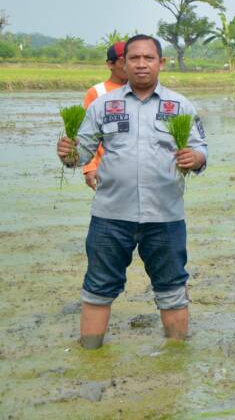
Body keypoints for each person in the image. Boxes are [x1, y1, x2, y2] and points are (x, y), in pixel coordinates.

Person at [56, 34, 207, 349]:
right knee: (97, 288)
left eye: (148, 58)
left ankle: (176, 360)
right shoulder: (103, 105)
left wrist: (195, 158)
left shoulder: (180, 105)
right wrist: (66, 153)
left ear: (160, 63)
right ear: (123, 64)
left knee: (172, 291)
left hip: (165, 217)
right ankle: (90, 353)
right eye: (134, 58)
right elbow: (80, 156)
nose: (141, 64)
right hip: (111, 216)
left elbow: (200, 151)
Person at [82, 41, 128, 190]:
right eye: (123, 60)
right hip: (107, 170)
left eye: (133, 59)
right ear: (110, 64)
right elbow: (87, 135)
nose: (130, 65)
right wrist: (89, 166)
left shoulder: (144, 91)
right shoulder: (97, 92)